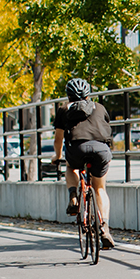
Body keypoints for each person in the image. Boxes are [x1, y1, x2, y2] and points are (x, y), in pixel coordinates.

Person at [52, 77, 114, 249]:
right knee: (100, 188)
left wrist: (57, 156)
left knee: (71, 167)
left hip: (76, 150)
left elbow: (58, 139)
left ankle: (73, 196)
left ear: (69, 96)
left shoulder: (64, 109)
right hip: (101, 150)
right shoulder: (100, 107)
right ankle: (105, 227)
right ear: (88, 94)